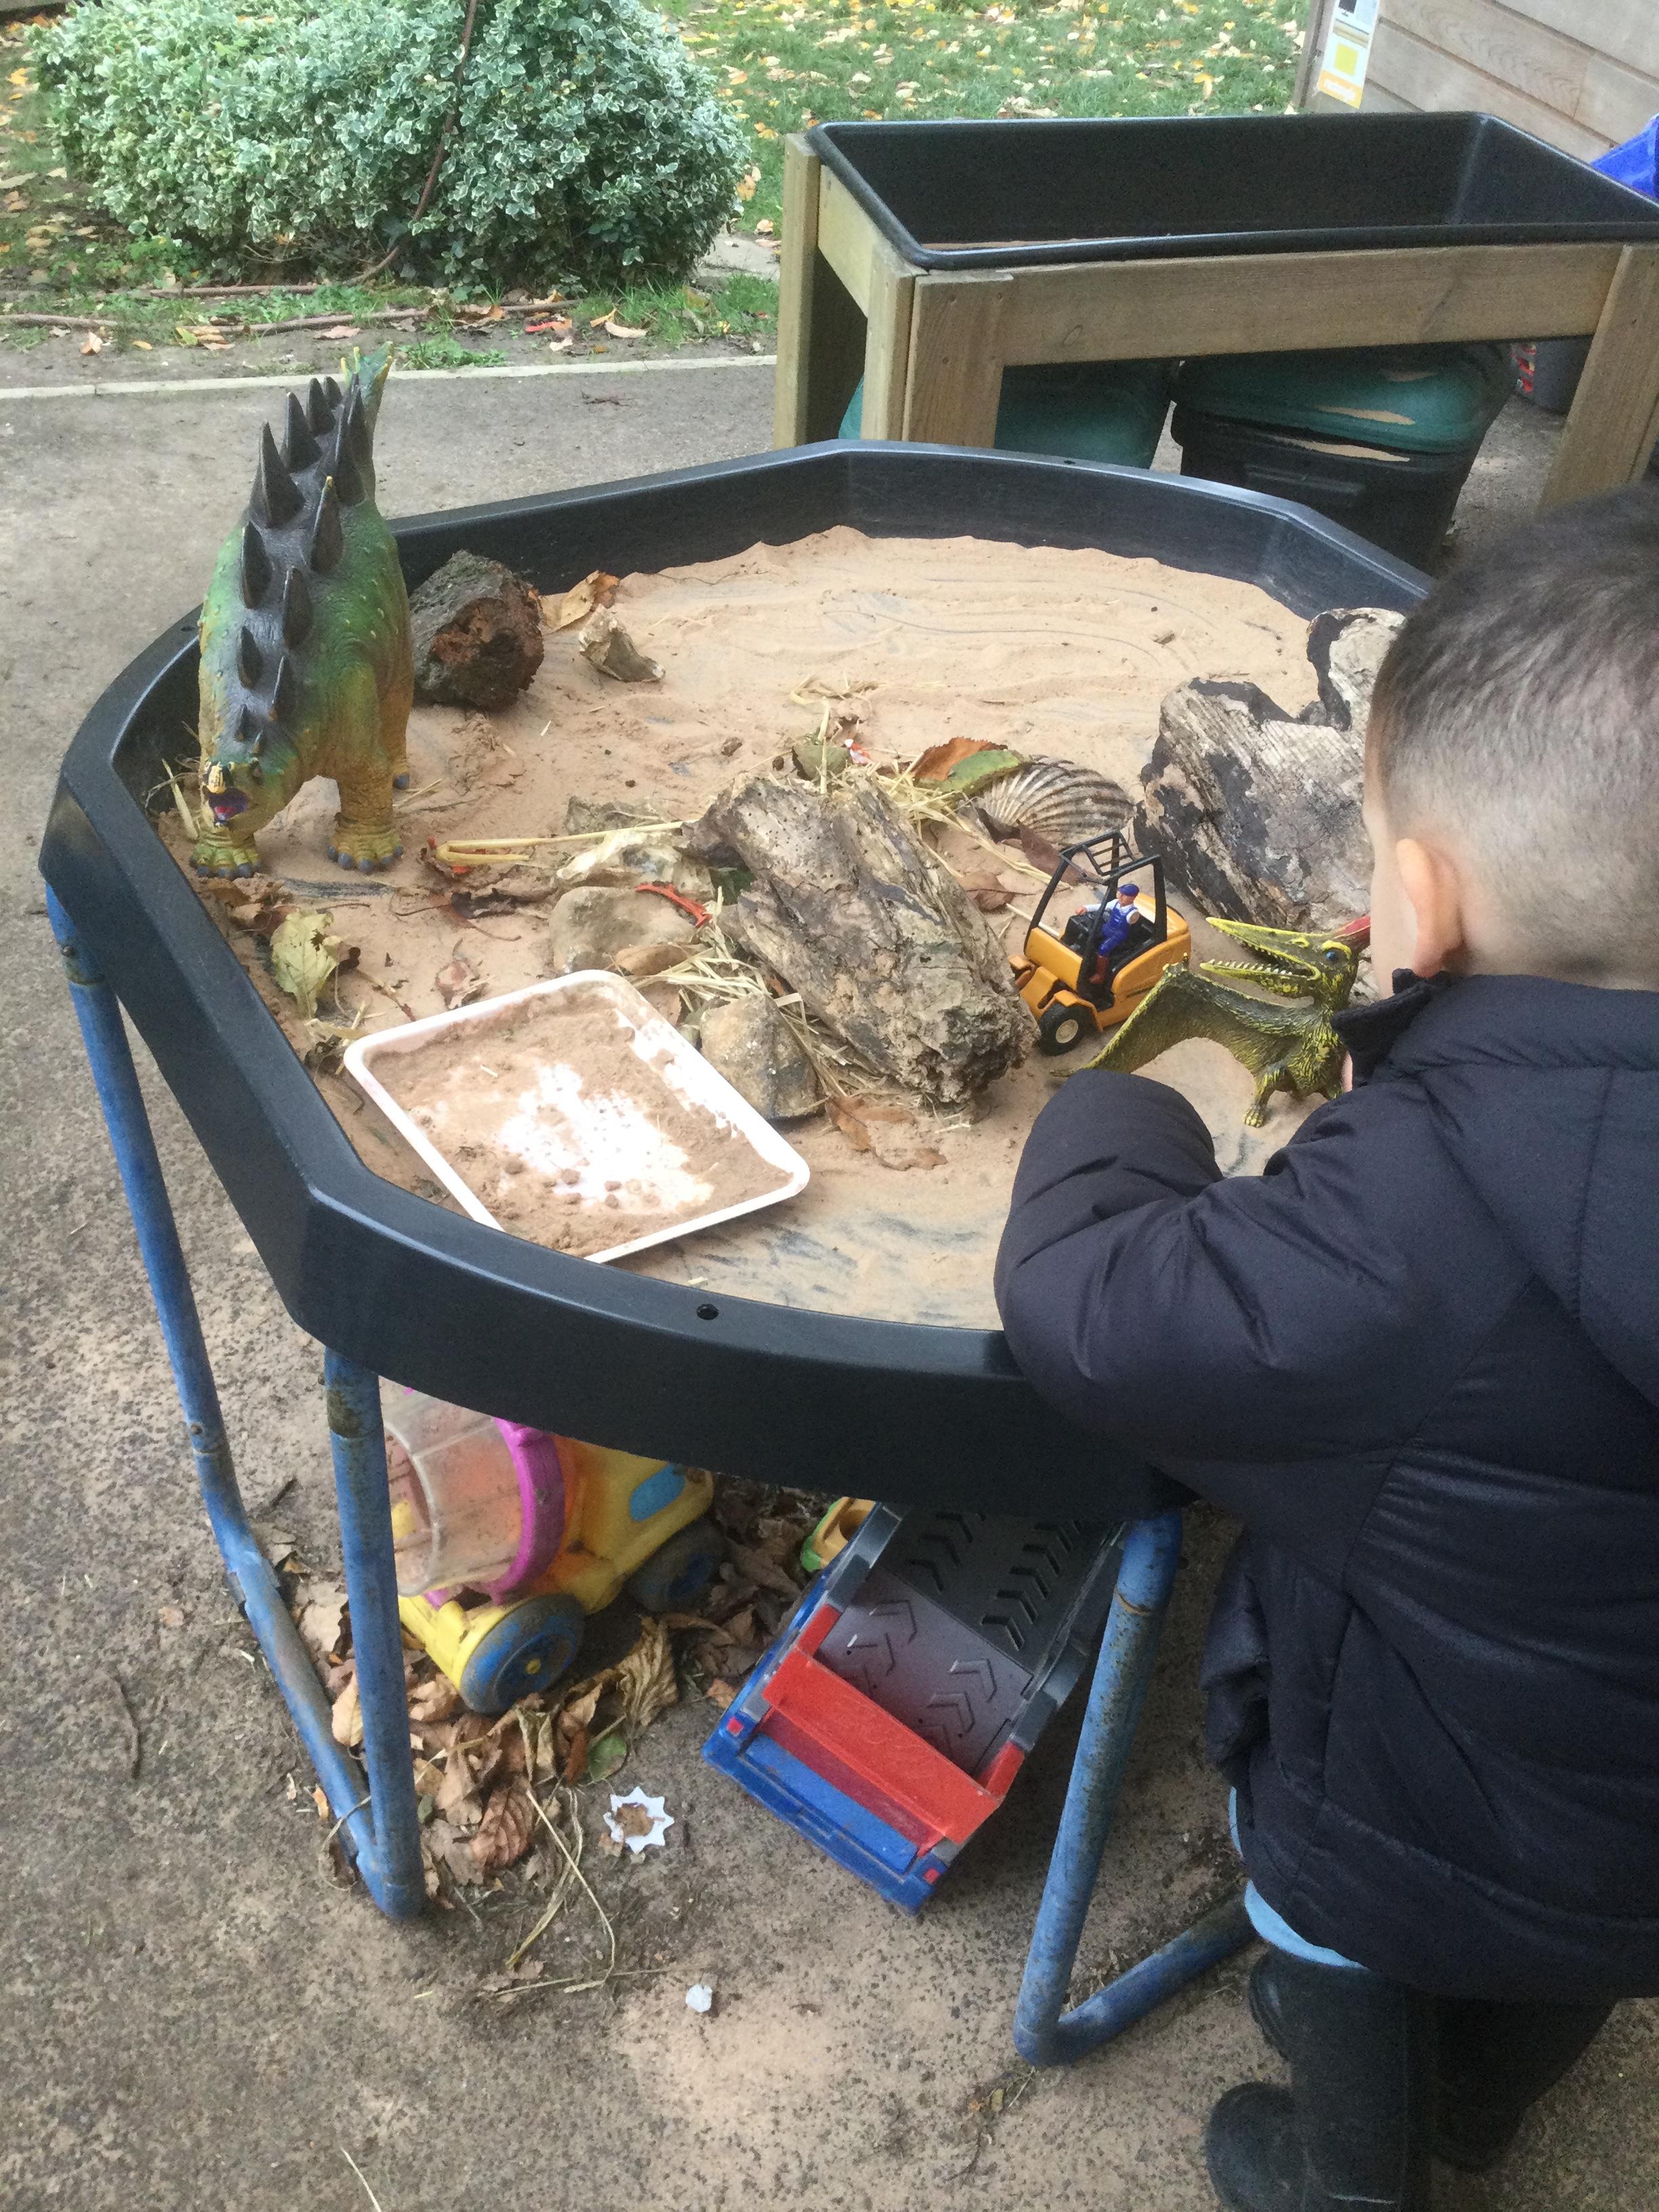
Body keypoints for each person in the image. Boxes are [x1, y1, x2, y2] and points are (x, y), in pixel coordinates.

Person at [994, 487, 1659, 2212]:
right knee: (1582, 1949)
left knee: (1338, 1934)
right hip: (1631, 1855)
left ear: (1416, 903)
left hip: (1406, 1819)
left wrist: (1119, 1111)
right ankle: (1483, 2114)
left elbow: (1097, 1309)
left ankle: (1354, 2175)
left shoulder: (1405, 1228)